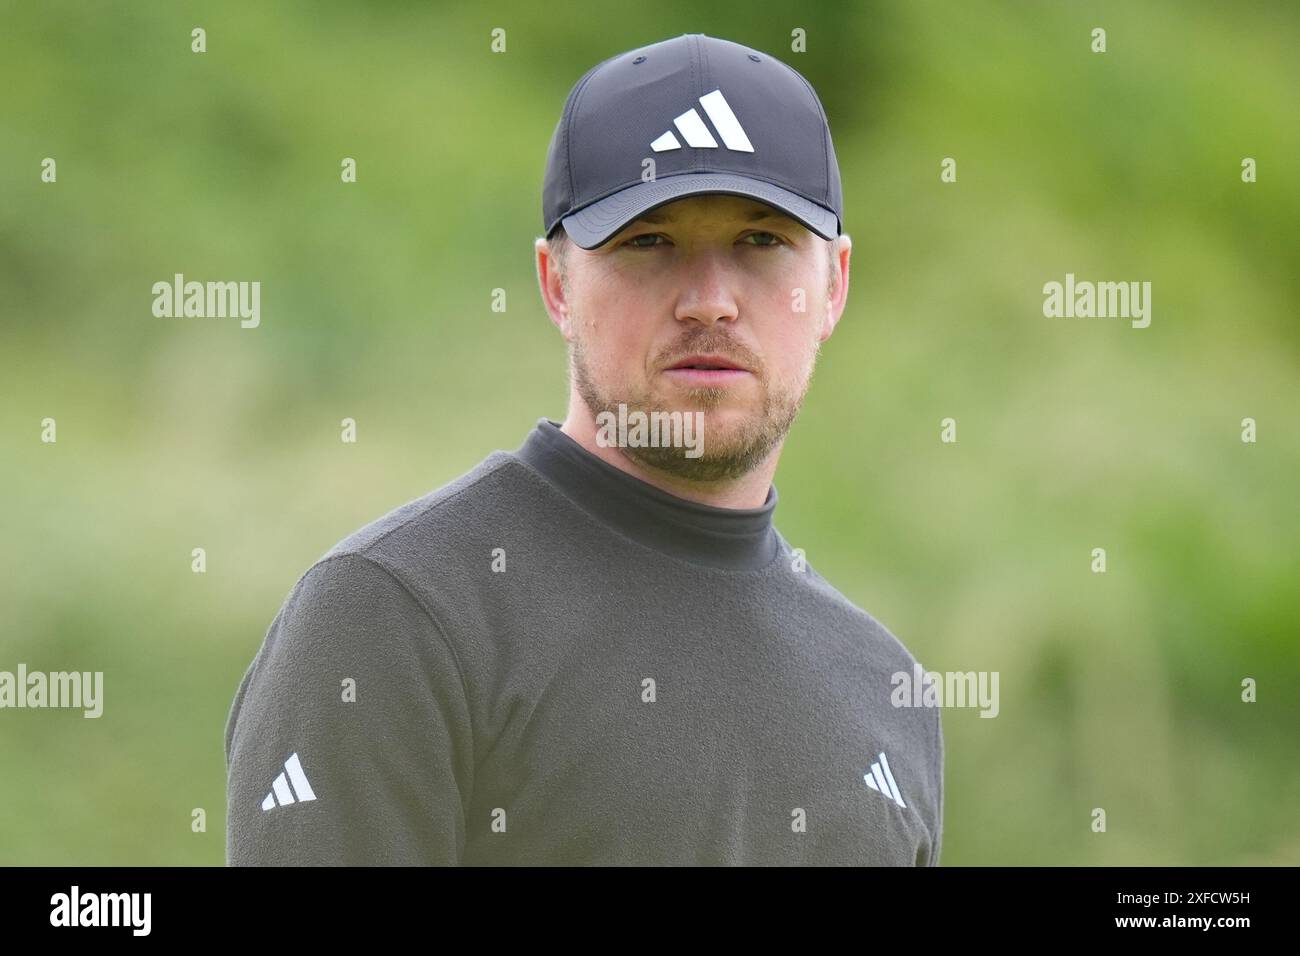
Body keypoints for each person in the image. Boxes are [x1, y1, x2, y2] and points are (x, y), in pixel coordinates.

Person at [225, 32, 943, 866]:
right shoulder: (398, 616)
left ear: (833, 287)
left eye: (760, 242)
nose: (710, 301)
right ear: (556, 283)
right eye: (649, 241)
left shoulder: (887, 690)